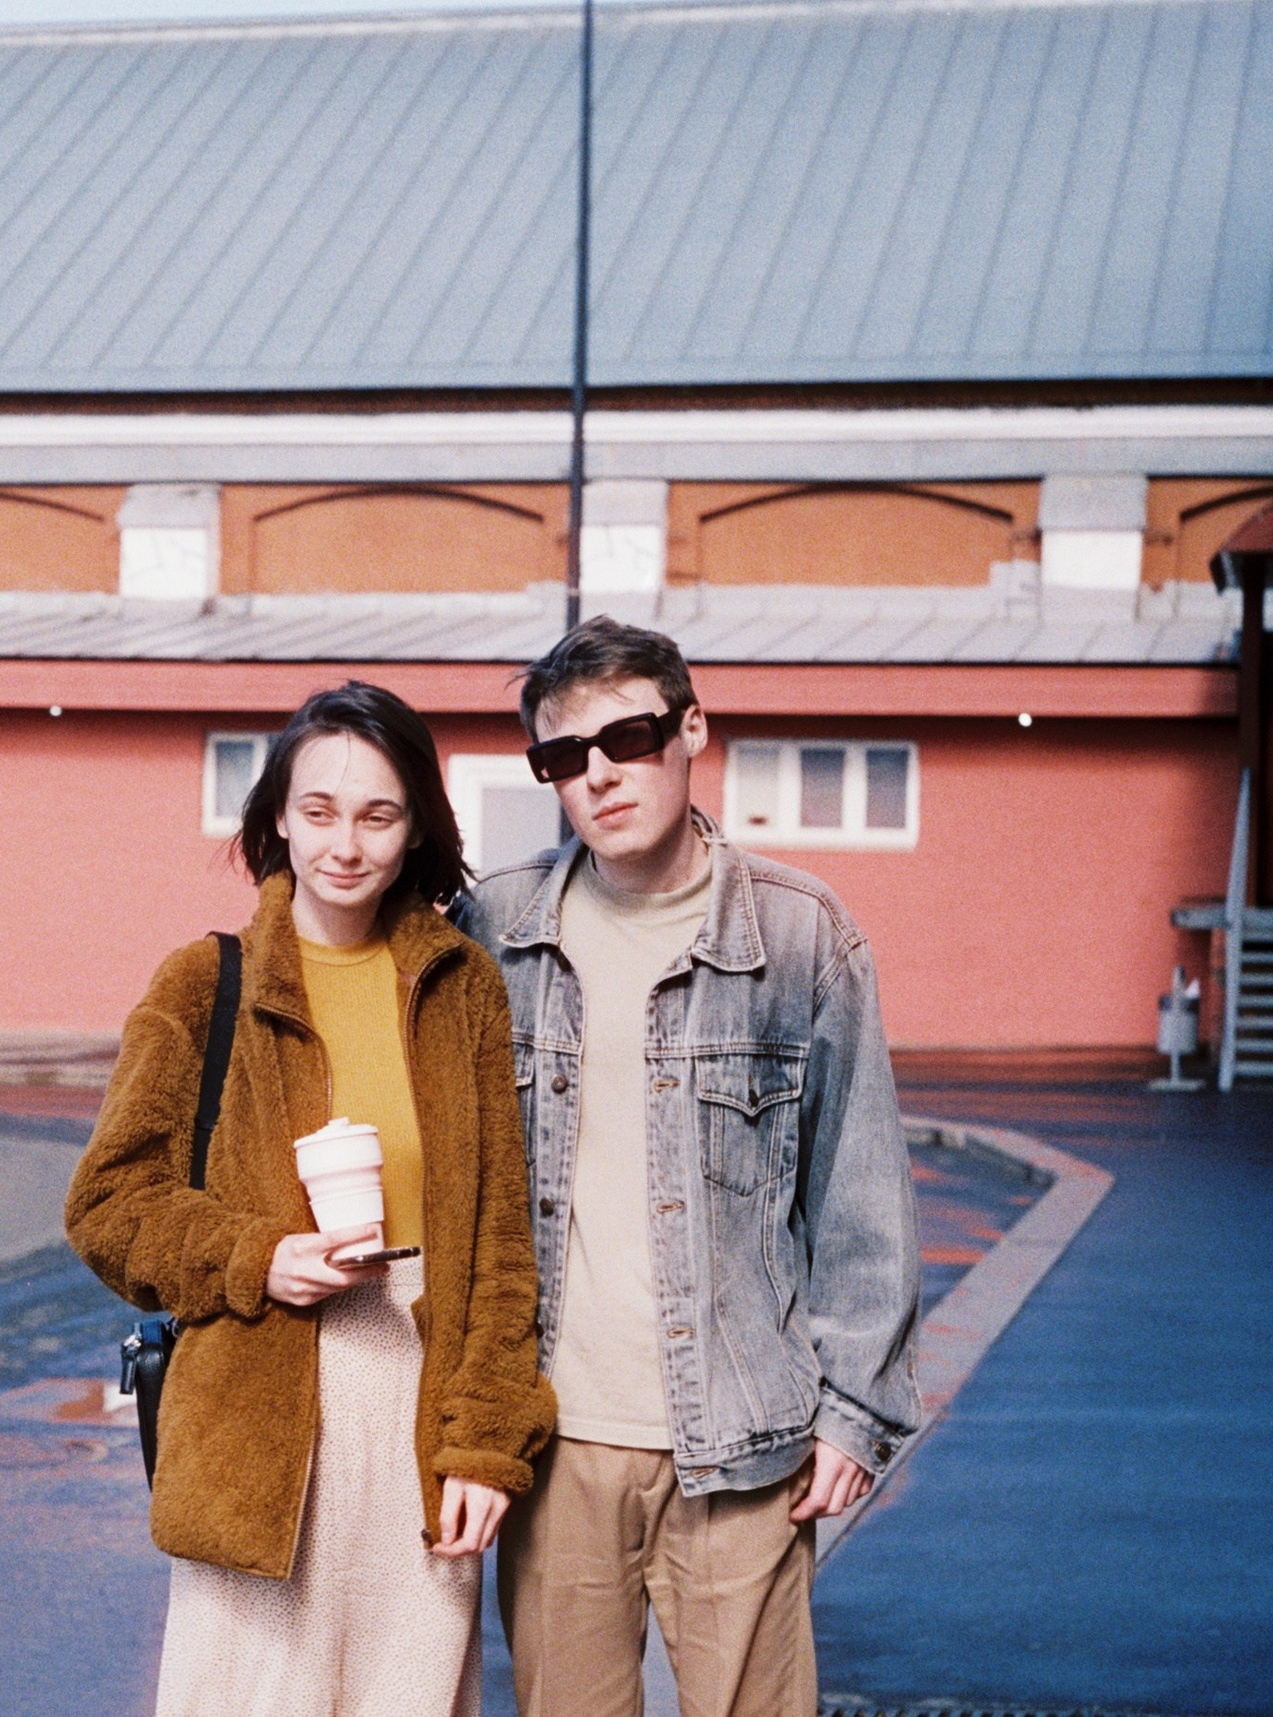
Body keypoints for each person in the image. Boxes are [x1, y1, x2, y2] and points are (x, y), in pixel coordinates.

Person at [454, 617, 922, 1717]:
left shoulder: (802, 934)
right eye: (564, 757)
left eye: (628, 736)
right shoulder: (495, 928)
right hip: (555, 1440)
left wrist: (857, 1410)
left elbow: (859, 1184)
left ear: (693, 727)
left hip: (745, 1442)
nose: (599, 775)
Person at [65, 681, 555, 1717]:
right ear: (278, 816)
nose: (345, 843)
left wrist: (485, 1447)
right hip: (256, 1416)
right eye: (320, 810)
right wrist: (255, 1256)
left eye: (378, 814)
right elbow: (108, 1203)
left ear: (416, 824)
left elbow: (501, 1246)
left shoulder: (460, 983)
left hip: (420, 1405)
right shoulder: (204, 982)